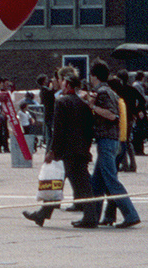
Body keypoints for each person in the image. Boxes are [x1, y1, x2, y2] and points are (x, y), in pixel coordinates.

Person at [26, 69, 96, 227]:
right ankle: (90, 216)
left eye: (63, 82)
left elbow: (58, 130)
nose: (61, 84)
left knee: (56, 182)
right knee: (83, 185)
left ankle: (42, 214)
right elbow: (89, 129)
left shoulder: (61, 102)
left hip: (66, 151)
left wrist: (52, 151)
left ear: (68, 84)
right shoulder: (84, 104)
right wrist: (86, 147)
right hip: (81, 150)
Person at [90, 61, 139, 229]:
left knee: (111, 180)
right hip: (111, 140)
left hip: (107, 140)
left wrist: (92, 106)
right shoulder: (109, 91)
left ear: (94, 76)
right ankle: (92, 217)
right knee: (96, 182)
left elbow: (111, 115)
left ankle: (130, 214)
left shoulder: (103, 92)